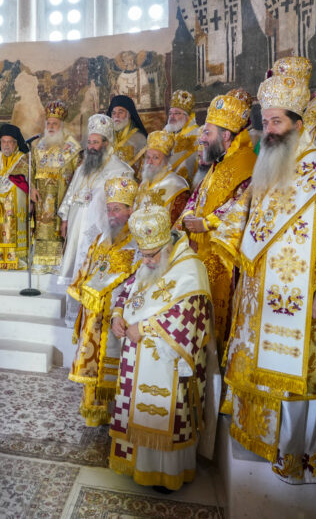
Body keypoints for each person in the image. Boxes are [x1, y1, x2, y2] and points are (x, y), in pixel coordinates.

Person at [214, 57, 316, 484]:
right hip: (259, 294)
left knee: (298, 376)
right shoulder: (270, 164)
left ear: (298, 121)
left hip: (304, 298)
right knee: (259, 369)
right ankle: (259, 437)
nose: (267, 129)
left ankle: (300, 455)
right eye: (264, 121)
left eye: (275, 121)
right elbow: (245, 214)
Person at [109, 206, 213, 491]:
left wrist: (142, 329)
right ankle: (139, 466)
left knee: (165, 412)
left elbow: (189, 320)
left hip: (168, 363)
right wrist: (117, 315)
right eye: (143, 255)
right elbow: (128, 289)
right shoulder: (151, 260)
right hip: (137, 355)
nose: (146, 262)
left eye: (151, 256)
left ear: (167, 244)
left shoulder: (190, 268)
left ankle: (167, 475)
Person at [177, 89, 256, 349]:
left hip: (225, 258)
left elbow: (243, 205)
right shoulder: (217, 163)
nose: (201, 138)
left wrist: (207, 222)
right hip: (199, 251)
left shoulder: (248, 164)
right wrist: (189, 215)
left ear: (225, 136)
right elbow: (196, 196)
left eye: (207, 132)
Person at [67, 176, 139, 426]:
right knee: (91, 365)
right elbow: (86, 270)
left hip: (116, 315)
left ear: (131, 210)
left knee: (115, 367)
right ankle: (95, 414)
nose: (111, 215)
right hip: (93, 313)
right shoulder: (100, 239)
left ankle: (117, 416)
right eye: (109, 209)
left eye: (117, 209)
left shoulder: (138, 242)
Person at [54, 114, 133, 312]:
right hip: (76, 225)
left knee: (92, 268)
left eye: (95, 142)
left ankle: (89, 314)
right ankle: (73, 316)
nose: (90, 146)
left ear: (106, 143)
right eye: (89, 142)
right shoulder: (83, 167)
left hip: (99, 228)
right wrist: (64, 218)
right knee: (76, 267)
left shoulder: (121, 170)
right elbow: (71, 192)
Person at [30, 100, 81, 274]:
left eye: (55, 123)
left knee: (59, 228)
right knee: (43, 228)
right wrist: (31, 188)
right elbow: (31, 170)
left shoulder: (72, 146)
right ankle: (41, 262)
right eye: (49, 123)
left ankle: (58, 262)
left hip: (62, 193)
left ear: (61, 125)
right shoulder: (38, 146)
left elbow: (78, 172)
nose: (51, 126)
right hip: (42, 196)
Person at [0, 124, 30, 270]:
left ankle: (17, 260)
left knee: (14, 230)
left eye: (10, 142)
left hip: (16, 207)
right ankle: (0, 260)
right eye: (3, 141)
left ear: (16, 143)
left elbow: (28, 184)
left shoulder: (23, 159)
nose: (6, 145)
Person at [134, 131, 190, 225]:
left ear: (166, 160)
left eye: (155, 158)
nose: (150, 162)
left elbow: (177, 223)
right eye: (148, 157)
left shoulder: (177, 185)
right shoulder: (144, 183)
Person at [164, 90, 201, 184]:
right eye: (170, 113)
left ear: (187, 117)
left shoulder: (197, 135)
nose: (172, 116)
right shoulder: (164, 133)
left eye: (177, 113)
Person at [107, 95, 148, 171]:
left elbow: (144, 166)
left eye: (120, 112)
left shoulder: (139, 138)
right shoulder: (107, 136)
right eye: (113, 113)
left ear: (129, 115)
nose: (116, 116)